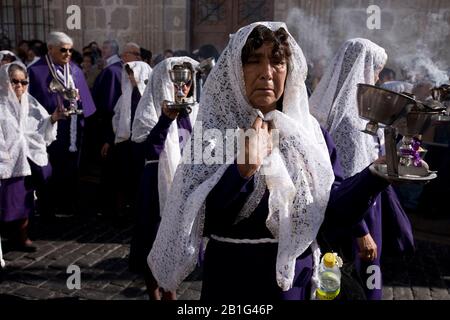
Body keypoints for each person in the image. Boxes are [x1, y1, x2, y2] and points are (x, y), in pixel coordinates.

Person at [147, 22, 398, 301]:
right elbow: (199, 218)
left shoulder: (311, 134)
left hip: (294, 282)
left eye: (277, 62)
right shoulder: (213, 133)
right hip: (234, 281)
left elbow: (332, 212)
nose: (267, 73)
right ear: (235, 69)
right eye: (254, 61)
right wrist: (243, 168)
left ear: (289, 70)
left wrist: (376, 174)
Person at [310, 38, 414, 300]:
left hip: (367, 210)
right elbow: (347, 184)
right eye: (376, 70)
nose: (378, 78)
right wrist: (362, 233)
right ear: (363, 69)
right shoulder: (348, 123)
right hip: (355, 222)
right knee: (355, 286)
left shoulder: (358, 112)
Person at [130, 57, 200, 300]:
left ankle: (171, 291)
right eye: (177, 81)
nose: (183, 88)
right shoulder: (148, 110)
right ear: (163, 80)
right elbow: (146, 151)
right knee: (153, 243)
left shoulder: (194, 111)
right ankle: (154, 293)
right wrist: (165, 119)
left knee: (176, 244)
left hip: (184, 187)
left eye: (187, 83)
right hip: (155, 187)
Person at [27, 31, 96, 218]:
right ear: (50, 49)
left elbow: (87, 106)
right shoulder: (35, 71)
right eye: (63, 50)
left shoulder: (75, 70)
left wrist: (80, 105)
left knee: (71, 168)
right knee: (50, 168)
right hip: (49, 128)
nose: (68, 54)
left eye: (70, 50)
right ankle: (48, 208)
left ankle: (68, 205)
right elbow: (31, 106)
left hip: (73, 128)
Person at [0, 62, 65, 251]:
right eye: (14, 82)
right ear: (5, 82)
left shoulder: (30, 102)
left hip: (25, 160)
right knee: (6, 203)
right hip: (6, 161)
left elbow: (39, 125)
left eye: (23, 82)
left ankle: (22, 237)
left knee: (24, 202)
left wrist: (52, 119)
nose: (19, 86)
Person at [111, 61, 152, 219]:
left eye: (133, 73)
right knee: (123, 178)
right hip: (125, 142)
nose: (131, 77)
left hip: (143, 143)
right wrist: (120, 131)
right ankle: (122, 212)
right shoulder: (125, 95)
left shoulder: (149, 95)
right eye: (128, 74)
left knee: (140, 179)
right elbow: (117, 116)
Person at [92, 40, 123, 217]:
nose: (101, 51)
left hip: (108, 129)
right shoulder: (114, 69)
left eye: (104, 48)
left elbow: (108, 106)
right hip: (112, 130)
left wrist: (106, 138)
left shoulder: (111, 72)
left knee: (109, 171)